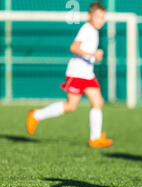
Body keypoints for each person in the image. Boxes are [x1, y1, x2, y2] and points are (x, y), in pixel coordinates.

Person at [26, 2, 113, 148]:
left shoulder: (94, 31)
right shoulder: (87, 29)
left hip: (87, 74)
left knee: (98, 102)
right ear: (89, 16)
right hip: (77, 73)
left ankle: (95, 138)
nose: (101, 20)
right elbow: (73, 47)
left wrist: (94, 56)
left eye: (103, 17)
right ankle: (35, 115)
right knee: (71, 106)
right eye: (98, 17)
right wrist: (93, 54)